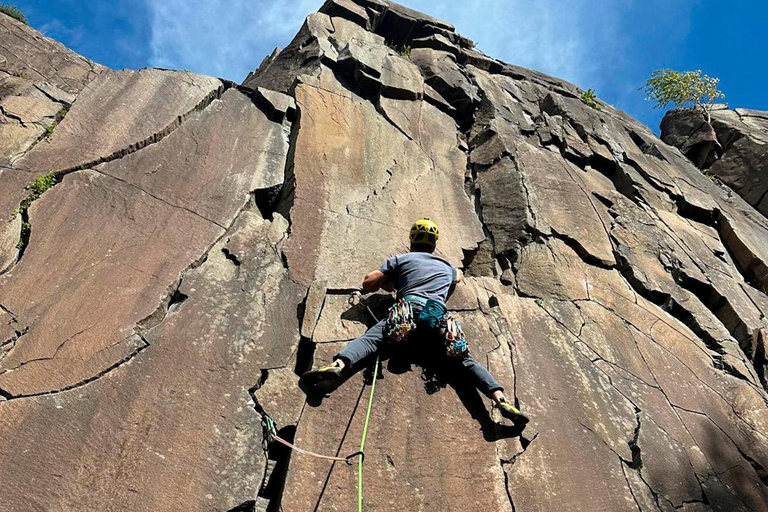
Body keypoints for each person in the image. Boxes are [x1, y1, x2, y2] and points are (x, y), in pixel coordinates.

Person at [301, 219, 529, 426]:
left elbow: (369, 282)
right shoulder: (447, 267)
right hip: (437, 318)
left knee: (370, 340)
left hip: (407, 313)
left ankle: (338, 366)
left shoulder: (401, 259)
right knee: (465, 361)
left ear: (412, 242)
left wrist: (389, 281)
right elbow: (458, 277)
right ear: (434, 245)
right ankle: (499, 399)